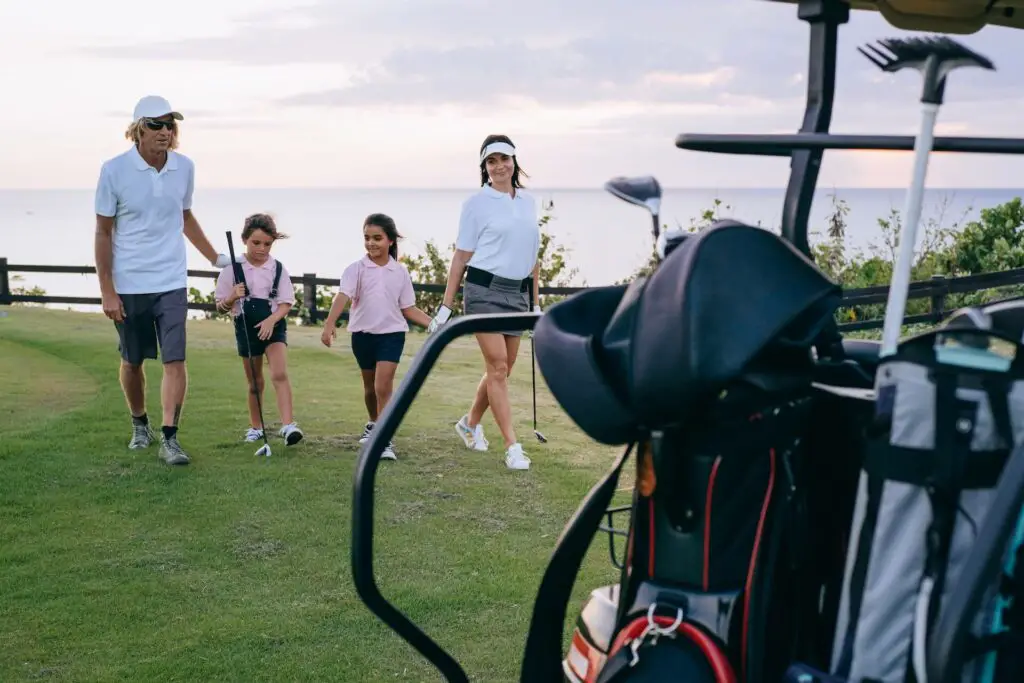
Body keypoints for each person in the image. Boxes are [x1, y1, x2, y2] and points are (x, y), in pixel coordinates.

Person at [94, 94, 232, 466]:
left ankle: (170, 438)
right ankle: (140, 424)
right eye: (157, 125)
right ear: (138, 130)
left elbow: (185, 217)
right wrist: (107, 290)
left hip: (171, 279)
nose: (166, 131)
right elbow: (103, 233)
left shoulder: (184, 168)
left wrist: (216, 258)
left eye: (171, 124)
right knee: (133, 361)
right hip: (130, 283)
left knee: (175, 358)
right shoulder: (113, 171)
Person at [429, 134, 542, 471]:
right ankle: (513, 446)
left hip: (518, 295)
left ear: (514, 161)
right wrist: (446, 306)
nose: (499, 166)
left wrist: (536, 304)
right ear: (485, 167)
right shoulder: (476, 204)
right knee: (497, 368)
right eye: (491, 161)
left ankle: (469, 423)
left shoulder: (528, 202)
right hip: (484, 291)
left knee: (501, 369)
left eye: (504, 159)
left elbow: (532, 257)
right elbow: (462, 255)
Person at [321, 213, 433, 460]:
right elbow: (343, 296)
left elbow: (408, 308)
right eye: (367, 238)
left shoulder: (399, 272)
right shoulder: (355, 269)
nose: (371, 243)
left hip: (392, 335)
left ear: (391, 241)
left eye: (377, 238)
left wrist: (434, 324)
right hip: (362, 336)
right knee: (370, 389)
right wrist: (329, 324)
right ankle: (373, 423)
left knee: (384, 386)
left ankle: (385, 439)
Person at [214, 213, 304, 446]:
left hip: (273, 325)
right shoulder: (231, 271)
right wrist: (232, 296)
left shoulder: (278, 269)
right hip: (245, 327)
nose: (262, 249)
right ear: (245, 239)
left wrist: (271, 321)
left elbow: (285, 303)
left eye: (267, 244)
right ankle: (256, 427)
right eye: (256, 243)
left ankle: (288, 426)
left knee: (279, 374)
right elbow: (220, 307)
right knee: (255, 383)